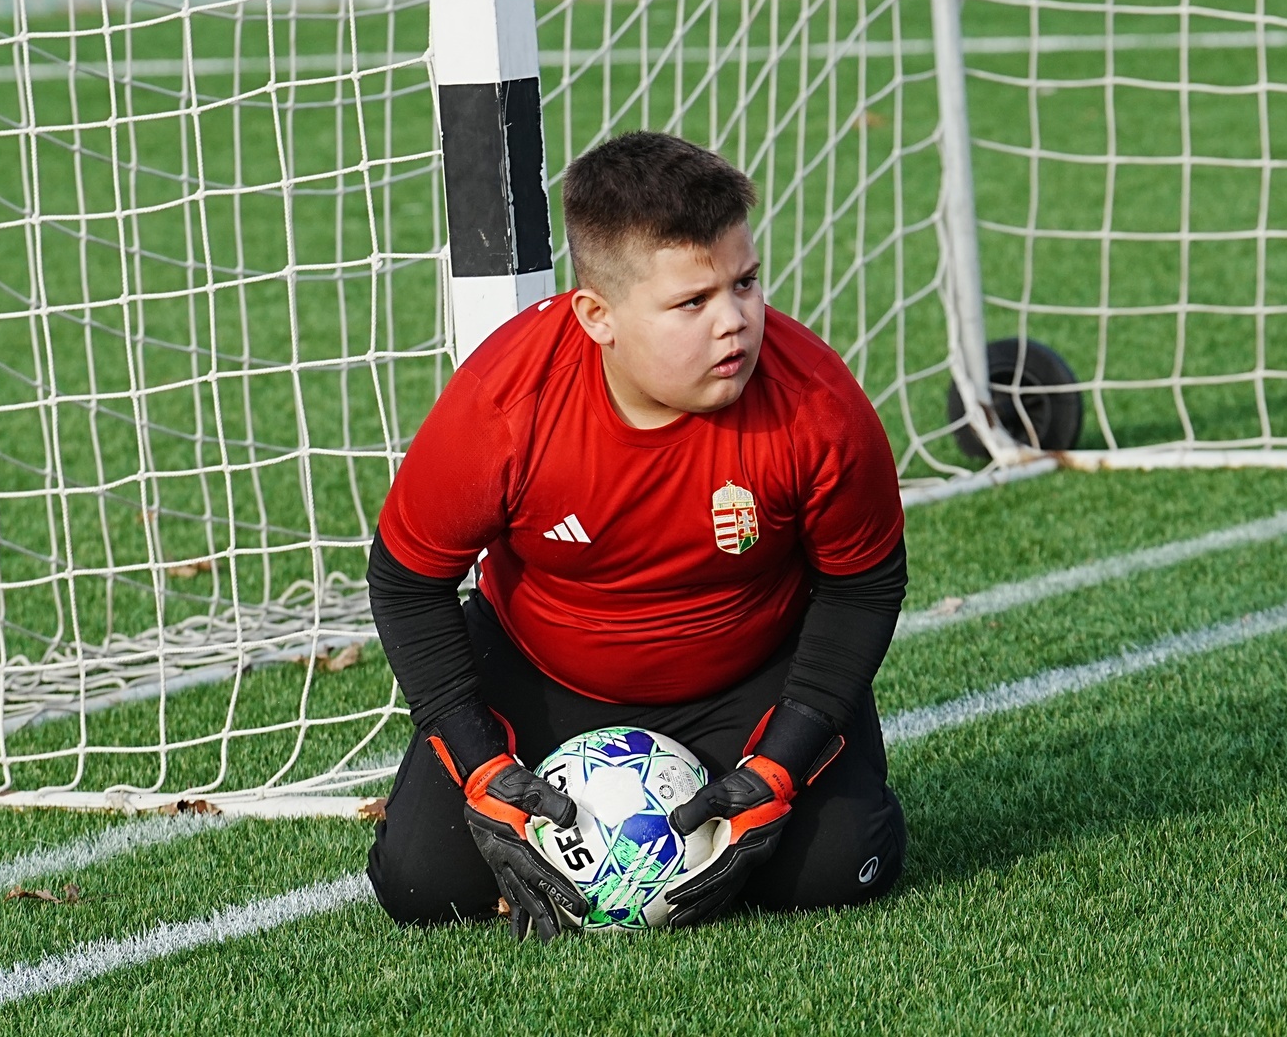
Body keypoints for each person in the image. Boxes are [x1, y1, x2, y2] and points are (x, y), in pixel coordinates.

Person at [365, 131, 908, 940]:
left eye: (745, 283)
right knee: (420, 886)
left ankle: (798, 789)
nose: (735, 322)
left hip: (749, 674)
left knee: (836, 870)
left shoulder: (816, 405)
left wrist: (781, 763)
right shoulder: (506, 405)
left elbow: (864, 584)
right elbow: (407, 582)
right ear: (598, 316)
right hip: (542, 672)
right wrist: (481, 768)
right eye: (693, 302)